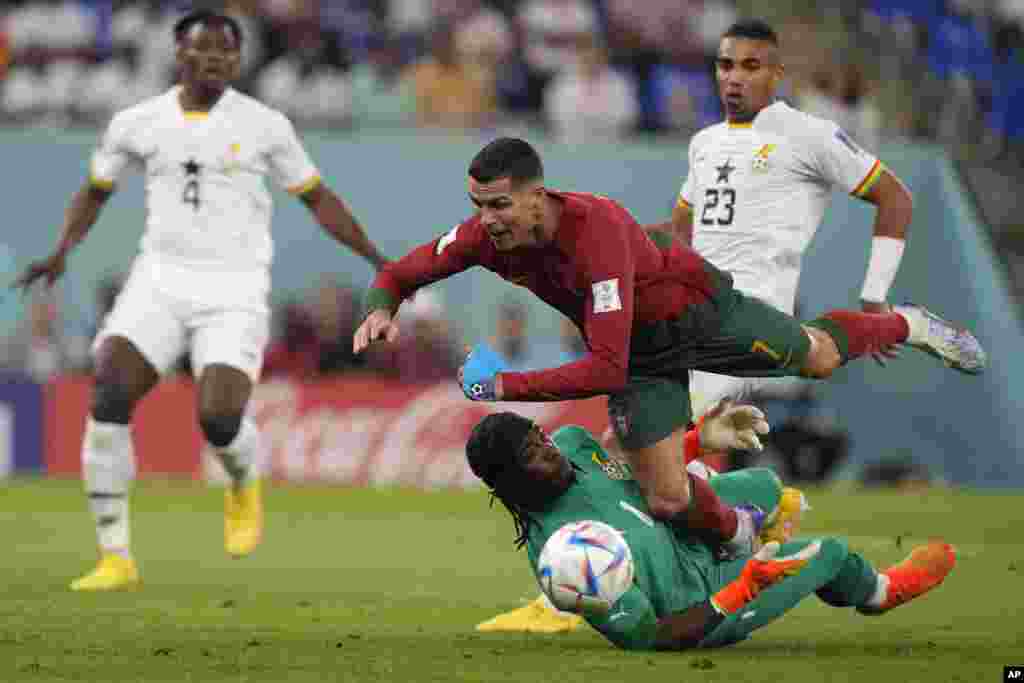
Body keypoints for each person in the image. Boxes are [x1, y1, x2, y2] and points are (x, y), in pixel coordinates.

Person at [351, 136, 981, 628]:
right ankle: (737, 531)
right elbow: (404, 270)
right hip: (640, 357)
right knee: (667, 501)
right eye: (477, 206)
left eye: (499, 205)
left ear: (538, 196)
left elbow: (603, 369)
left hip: (698, 314)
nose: (486, 220)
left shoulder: (595, 235)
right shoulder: (486, 240)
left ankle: (908, 323)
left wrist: (503, 390)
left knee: (816, 356)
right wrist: (382, 306)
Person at [13, 10, 388, 592]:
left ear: (239, 61)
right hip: (159, 278)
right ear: (177, 54)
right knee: (109, 389)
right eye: (202, 51)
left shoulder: (265, 124)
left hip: (233, 285)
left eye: (226, 54)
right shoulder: (137, 122)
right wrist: (63, 249)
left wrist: (376, 260)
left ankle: (243, 478)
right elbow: (95, 189)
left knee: (217, 417)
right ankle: (116, 556)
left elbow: (318, 199)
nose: (214, 61)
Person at [465, 410, 956, 651]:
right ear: (510, 482)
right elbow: (651, 639)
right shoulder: (566, 557)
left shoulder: (573, 444)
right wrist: (742, 590)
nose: (548, 449)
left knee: (765, 484)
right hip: (705, 608)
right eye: (532, 454)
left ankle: (747, 543)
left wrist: (700, 441)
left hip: (695, 547)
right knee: (825, 552)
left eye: (539, 436)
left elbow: (637, 478)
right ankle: (880, 591)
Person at [661, 19, 918, 420]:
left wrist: (874, 295)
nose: (734, 78)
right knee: (656, 450)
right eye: (725, 65)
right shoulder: (705, 143)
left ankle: (905, 325)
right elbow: (681, 226)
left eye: (751, 66)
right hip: (702, 318)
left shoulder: (808, 134)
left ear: (776, 75)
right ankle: (746, 483)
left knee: (660, 433)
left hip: (755, 319)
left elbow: (896, 198)